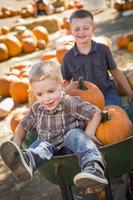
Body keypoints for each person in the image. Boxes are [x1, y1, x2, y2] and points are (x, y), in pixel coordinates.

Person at [0, 60, 108, 189]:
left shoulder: (69, 103)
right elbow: (22, 126)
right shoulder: (37, 108)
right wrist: (16, 147)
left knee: (74, 134)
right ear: (34, 93)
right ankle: (27, 161)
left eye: (51, 91)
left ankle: (93, 166)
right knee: (40, 144)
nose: (46, 98)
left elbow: (96, 112)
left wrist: (88, 133)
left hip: (71, 149)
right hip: (48, 153)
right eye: (39, 94)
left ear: (62, 86)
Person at [61, 9, 133, 106]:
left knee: (115, 112)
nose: (81, 32)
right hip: (83, 99)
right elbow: (66, 83)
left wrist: (129, 92)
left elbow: (115, 71)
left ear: (93, 29)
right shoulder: (68, 58)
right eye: (77, 29)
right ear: (70, 31)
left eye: (85, 28)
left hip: (107, 93)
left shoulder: (103, 50)